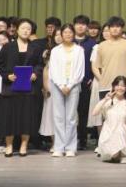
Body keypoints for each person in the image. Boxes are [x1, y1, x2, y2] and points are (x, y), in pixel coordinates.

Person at [0, 18, 46, 157]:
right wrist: (7, 76)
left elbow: (40, 64)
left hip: (29, 88)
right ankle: (9, 145)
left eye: (28, 29)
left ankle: (24, 145)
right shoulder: (8, 47)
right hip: (11, 87)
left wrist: (35, 73)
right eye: (23, 28)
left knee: (26, 117)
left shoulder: (35, 47)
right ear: (17, 30)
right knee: (9, 118)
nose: (25, 31)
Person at [48, 24, 85, 157]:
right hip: (57, 85)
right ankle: (59, 147)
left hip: (73, 85)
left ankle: (70, 147)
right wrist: (61, 85)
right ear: (61, 34)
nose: (68, 35)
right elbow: (53, 70)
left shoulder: (79, 50)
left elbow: (80, 70)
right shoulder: (55, 50)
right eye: (65, 32)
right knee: (58, 116)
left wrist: (69, 85)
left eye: (70, 32)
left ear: (73, 34)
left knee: (71, 117)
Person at [92, 76, 126, 163]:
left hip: (121, 133)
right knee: (112, 155)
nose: (120, 88)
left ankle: (123, 154)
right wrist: (105, 99)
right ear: (113, 86)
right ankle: (117, 155)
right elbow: (94, 113)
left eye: (123, 86)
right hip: (107, 132)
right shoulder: (108, 101)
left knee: (119, 130)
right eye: (117, 85)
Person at [93, 17, 126, 102]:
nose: (115, 29)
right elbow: (98, 67)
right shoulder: (101, 45)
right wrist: (103, 79)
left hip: (123, 87)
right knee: (105, 110)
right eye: (112, 26)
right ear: (109, 28)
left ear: (122, 28)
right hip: (105, 86)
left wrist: (123, 80)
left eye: (118, 26)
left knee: (123, 109)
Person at [73, 14, 96, 151]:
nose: (80, 26)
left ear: (87, 27)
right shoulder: (69, 41)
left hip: (86, 82)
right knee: (70, 112)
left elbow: (96, 63)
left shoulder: (92, 43)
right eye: (78, 24)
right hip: (70, 83)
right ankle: (70, 139)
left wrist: (92, 78)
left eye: (83, 24)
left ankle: (82, 139)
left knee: (83, 112)